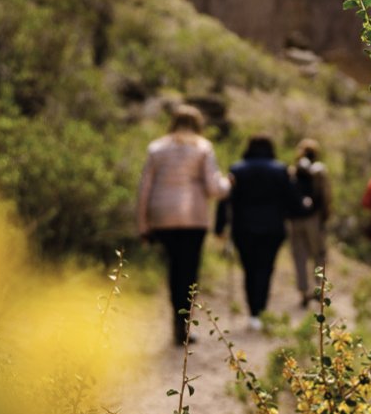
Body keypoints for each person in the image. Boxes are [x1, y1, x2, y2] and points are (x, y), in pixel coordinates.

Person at [137, 103, 231, 344]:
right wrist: (228, 184)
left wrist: (143, 224)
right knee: (189, 272)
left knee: (174, 269)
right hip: (193, 217)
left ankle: (175, 320)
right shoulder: (202, 148)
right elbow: (214, 188)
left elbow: (144, 188)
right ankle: (184, 324)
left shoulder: (156, 148)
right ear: (198, 124)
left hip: (163, 216)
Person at [218, 135, 305, 330]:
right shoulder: (280, 170)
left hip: (243, 228)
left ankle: (253, 312)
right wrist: (301, 210)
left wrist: (219, 226)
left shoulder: (237, 169)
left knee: (249, 269)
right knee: (266, 269)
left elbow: (225, 200)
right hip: (273, 228)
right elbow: (293, 200)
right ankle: (261, 310)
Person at [288, 139, 332, 307]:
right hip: (314, 219)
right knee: (319, 254)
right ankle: (319, 289)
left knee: (299, 256)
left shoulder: (293, 171)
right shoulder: (320, 171)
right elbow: (326, 196)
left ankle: (303, 291)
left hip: (295, 220)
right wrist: (325, 216)